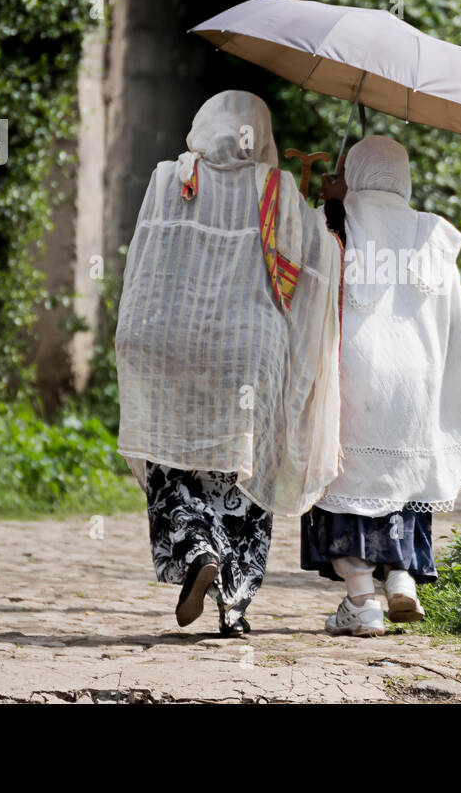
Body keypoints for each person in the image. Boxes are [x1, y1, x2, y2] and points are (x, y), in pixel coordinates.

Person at [116, 90, 343, 636]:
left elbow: (144, 260)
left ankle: (198, 551)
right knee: (244, 470)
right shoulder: (277, 189)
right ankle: (234, 605)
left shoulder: (169, 177)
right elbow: (316, 259)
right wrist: (328, 210)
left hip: (167, 342)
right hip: (246, 352)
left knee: (176, 459)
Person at [302, 134, 461, 636]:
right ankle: (402, 579)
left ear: (356, 174)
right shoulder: (431, 234)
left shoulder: (334, 223)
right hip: (418, 382)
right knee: (404, 481)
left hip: (351, 377)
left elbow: (304, 286)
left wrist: (327, 201)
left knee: (343, 486)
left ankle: (361, 601)